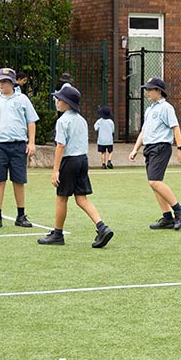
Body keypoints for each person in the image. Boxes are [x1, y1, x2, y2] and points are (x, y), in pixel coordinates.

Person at [37, 84, 114, 249]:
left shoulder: (62, 121)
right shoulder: (82, 120)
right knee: (81, 198)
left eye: (60, 99)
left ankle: (57, 234)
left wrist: (55, 170)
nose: (57, 101)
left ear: (67, 103)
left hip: (69, 162)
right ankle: (102, 227)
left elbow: (60, 146)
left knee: (61, 198)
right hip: (82, 160)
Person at [0, 67, 39, 229]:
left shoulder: (22, 99)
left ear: (12, 83)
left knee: (19, 180)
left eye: (4, 81)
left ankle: (21, 215)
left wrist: (31, 142)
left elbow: (31, 121)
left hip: (18, 145)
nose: (1, 84)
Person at [129, 77, 181, 230]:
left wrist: (180, 149)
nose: (147, 92)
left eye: (149, 89)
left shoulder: (166, 108)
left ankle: (179, 210)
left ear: (159, 91)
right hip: (149, 148)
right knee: (154, 184)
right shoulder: (150, 110)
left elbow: (175, 128)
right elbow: (144, 131)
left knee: (154, 181)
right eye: (146, 89)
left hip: (161, 147)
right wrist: (135, 149)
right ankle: (167, 218)